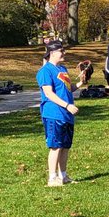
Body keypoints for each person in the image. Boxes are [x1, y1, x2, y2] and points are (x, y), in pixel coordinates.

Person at [36, 40, 79, 186]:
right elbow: (48, 93)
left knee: (66, 146)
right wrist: (67, 105)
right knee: (56, 146)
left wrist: (81, 82)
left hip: (66, 113)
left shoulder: (63, 69)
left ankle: (63, 176)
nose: (64, 53)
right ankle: (52, 178)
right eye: (61, 51)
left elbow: (67, 88)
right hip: (54, 113)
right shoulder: (45, 71)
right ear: (52, 53)